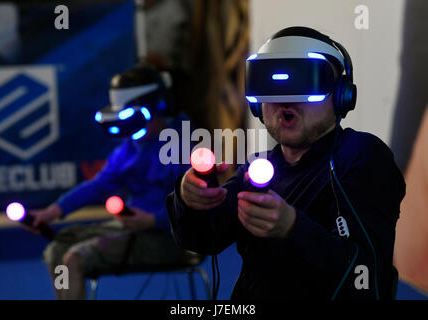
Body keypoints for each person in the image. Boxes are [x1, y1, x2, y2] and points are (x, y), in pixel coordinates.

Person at [166, 27, 406, 300]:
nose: (284, 101)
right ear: (257, 106)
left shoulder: (361, 156)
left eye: (303, 84)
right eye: (269, 87)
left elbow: (364, 276)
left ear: (341, 96)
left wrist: (293, 228)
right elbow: (201, 240)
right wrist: (189, 199)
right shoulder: (261, 167)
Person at [27, 65, 191, 300]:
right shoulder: (129, 148)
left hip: (172, 238)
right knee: (56, 250)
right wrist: (52, 212)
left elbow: (196, 207)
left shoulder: (184, 145)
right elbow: (98, 185)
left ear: (157, 107)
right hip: (131, 230)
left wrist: (153, 219)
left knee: (74, 258)